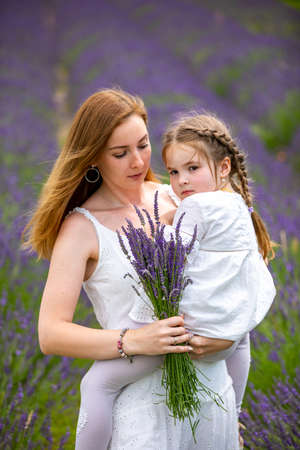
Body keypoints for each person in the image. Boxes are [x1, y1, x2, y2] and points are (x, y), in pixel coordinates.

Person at [23, 89, 241, 450]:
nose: (138, 162)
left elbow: (229, 278)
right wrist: (134, 340)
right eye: (120, 153)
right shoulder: (82, 229)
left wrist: (226, 336)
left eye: (142, 145)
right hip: (144, 412)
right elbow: (50, 333)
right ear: (94, 158)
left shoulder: (177, 197)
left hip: (212, 397)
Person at [157, 111, 276, 424]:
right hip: (233, 319)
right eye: (173, 171)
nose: (181, 180)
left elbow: (175, 252)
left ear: (224, 168)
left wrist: (163, 225)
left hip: (200, 320)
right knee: (240, 348)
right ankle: (234, 415)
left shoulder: (195, 205)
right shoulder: (237, 204)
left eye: (192, 168)